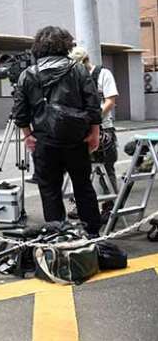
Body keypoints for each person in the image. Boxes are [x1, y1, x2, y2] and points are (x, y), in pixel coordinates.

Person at [12, 26, 102, 236]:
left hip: (44, 141)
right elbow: (93, 104)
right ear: (66, 45)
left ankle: (57, 234)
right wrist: (94, 133)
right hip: (76, 140)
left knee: (49, 189)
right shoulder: (77, 69)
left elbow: (20, 111)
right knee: (83, 186)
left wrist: (28, 135)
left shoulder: (28, 75)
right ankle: (93, 233)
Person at [68, 46, 120, 221]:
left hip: (104, 128)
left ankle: (110, 206)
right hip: (81, 129)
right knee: (81, 168)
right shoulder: (75, 77)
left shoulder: (104, 74)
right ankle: (82, 204)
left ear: (84, 61)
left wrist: (94, 118)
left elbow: (110, 100)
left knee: (105, 167)